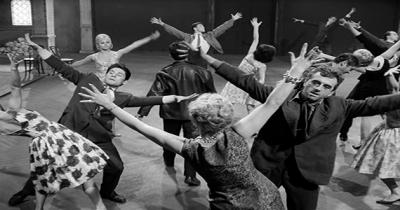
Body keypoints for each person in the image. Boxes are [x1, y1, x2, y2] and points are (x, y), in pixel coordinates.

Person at [80, 43, 316, 210]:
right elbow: (273, 102)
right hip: (266, 197)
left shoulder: (190, 147)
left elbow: (141, 127)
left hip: (228, 206)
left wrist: (110, 106)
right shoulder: (238, 133)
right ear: (226, 117)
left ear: (195, 121)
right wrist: (295, 72)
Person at [204, 40, 400, 209]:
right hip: (268, 164)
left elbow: (377, 103)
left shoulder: (340, 106)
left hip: (307, 173)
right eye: (315, 83)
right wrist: (208, 58)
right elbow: (243, 80)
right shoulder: (281, 97)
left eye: (326, 87)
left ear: (331, 91)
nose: (318, 88)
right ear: (305, 81)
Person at [8, 34, 194, 206]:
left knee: (116, 166)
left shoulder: (122, 97)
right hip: (69, 132)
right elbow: (61, 66)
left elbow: (147, 100)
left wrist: (174, 98)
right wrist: (37, 48)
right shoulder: (87, 80)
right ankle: (26, 192)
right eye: (112, 72)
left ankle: (107, 192)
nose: (114, 74)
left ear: (123, 82)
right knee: (46, 165)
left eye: (119, 75)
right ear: (106, 74)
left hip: (98, 137)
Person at [1, 54, 108, 210]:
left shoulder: (14, 108)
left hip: (59, 136)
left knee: (85, 175)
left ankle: (100, 207)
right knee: (42, 178)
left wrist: (13, 68)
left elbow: (15, 87)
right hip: (44, 143)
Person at [137, 41, 216, 186]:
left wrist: (142, 112)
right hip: (194, 115)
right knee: (192, 144)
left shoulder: (165, 72)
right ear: (188, 53)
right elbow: (212, 95)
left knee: (168, 139)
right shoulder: (203, 72)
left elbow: (154, 93)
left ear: (170, 55)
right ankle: (190, 176)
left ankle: (169, 162)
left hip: (170, 114)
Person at [351, 65, 400, 205]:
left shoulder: (395, 98)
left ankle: (395, 191)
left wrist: (388, 74)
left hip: (392, 136)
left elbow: (393, 89)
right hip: (392, 131)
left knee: (379, 166)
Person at [339, 39, 400, 145]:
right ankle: (349, 135)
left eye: (362, 51)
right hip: (382, 88)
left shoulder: (372, 65)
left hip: (367, 89)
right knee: (385, 113)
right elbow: (394, 48)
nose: (363, 52)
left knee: (355, 111)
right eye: (362, 53)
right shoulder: (381, 60)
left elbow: (394, 47)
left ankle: (359, 139)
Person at [220, 17, 276, 113]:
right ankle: (252, 125)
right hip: (248, 84)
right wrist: (257, 88)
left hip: (236, 80)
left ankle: (222, 121)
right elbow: (261, 80)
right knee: (250, 106)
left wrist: (255, 27)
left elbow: (255, 40)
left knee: (227, 104)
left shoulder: (250, 55)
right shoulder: (262, 66)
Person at [150, 12, 242, 67]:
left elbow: (221, 28)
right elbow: (175, 31)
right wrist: (162, 24)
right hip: (189, 61)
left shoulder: (209, 35)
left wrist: (232, 20)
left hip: (202, 61)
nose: (203, 27)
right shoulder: (188, 37)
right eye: (200, 26)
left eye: (203, 25)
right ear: (195, 28)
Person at [71, 31, 160, 80]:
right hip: (99, 81)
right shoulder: (94, 56)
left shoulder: (117, 54)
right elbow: (80, 63)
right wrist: (64, 66)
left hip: (113, 82)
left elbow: (133, 45)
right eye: (102, 43)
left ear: (111, 44)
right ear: (98, 45)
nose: (105, 44)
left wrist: (149, 38)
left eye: (107, 42)